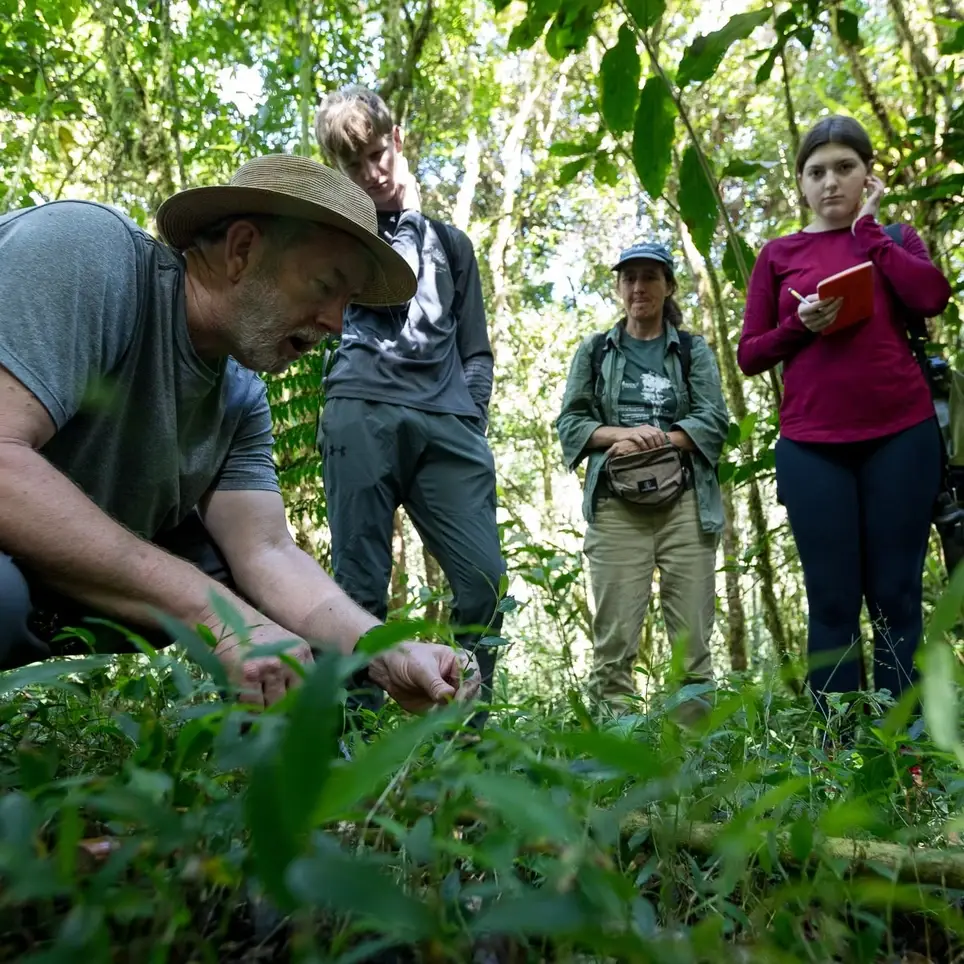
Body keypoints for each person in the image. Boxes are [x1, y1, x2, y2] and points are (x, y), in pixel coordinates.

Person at [0, 153, 481, 714]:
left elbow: (266, 553)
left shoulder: (239, 396)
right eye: (326, 286)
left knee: (262, 602)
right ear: (242, 250)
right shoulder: (87, 251)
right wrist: (210, 613)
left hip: (45, 578)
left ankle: (274, 780)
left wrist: (385, 649)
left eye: (347, 304)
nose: (335, 323)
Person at [738, 114, 952, 709]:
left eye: (844, 168)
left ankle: (903, 752)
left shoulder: (897, 239)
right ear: (800, 184)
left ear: (867, 177)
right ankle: (836, 758)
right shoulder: (778, 254)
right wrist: (797, 327)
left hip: (902, 435)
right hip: (812, 446)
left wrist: (872, 235)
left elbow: (932, 296)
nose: (830, 182)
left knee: (898, 596)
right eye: (816, 172)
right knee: (831, 599)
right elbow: (750, 354)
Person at [313, 86, 504, 721]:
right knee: (359, 587)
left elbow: (476, 350)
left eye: (377, 154)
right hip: (360, 410)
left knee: (484, 581)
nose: (372, 174)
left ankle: (470, 731)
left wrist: (469, 415)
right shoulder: (337, 236)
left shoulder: (452, 245)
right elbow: (355, 303)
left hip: (446, 423)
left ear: (396, 141)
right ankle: (354, 738)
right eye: (355, 166)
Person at [556, 242, 729, 709]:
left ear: (669, 285)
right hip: (617, 511)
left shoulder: (692, 350)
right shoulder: (595, 351)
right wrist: (622, 436)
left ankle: (696, 766)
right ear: (617, 287)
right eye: (629, 277)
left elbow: (714, 420)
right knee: (613, 649)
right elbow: (570, 424)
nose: (638, 287)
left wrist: (658, 439)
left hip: (686, 507)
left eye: (650, 276)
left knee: (692, 650)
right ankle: (616, 770)